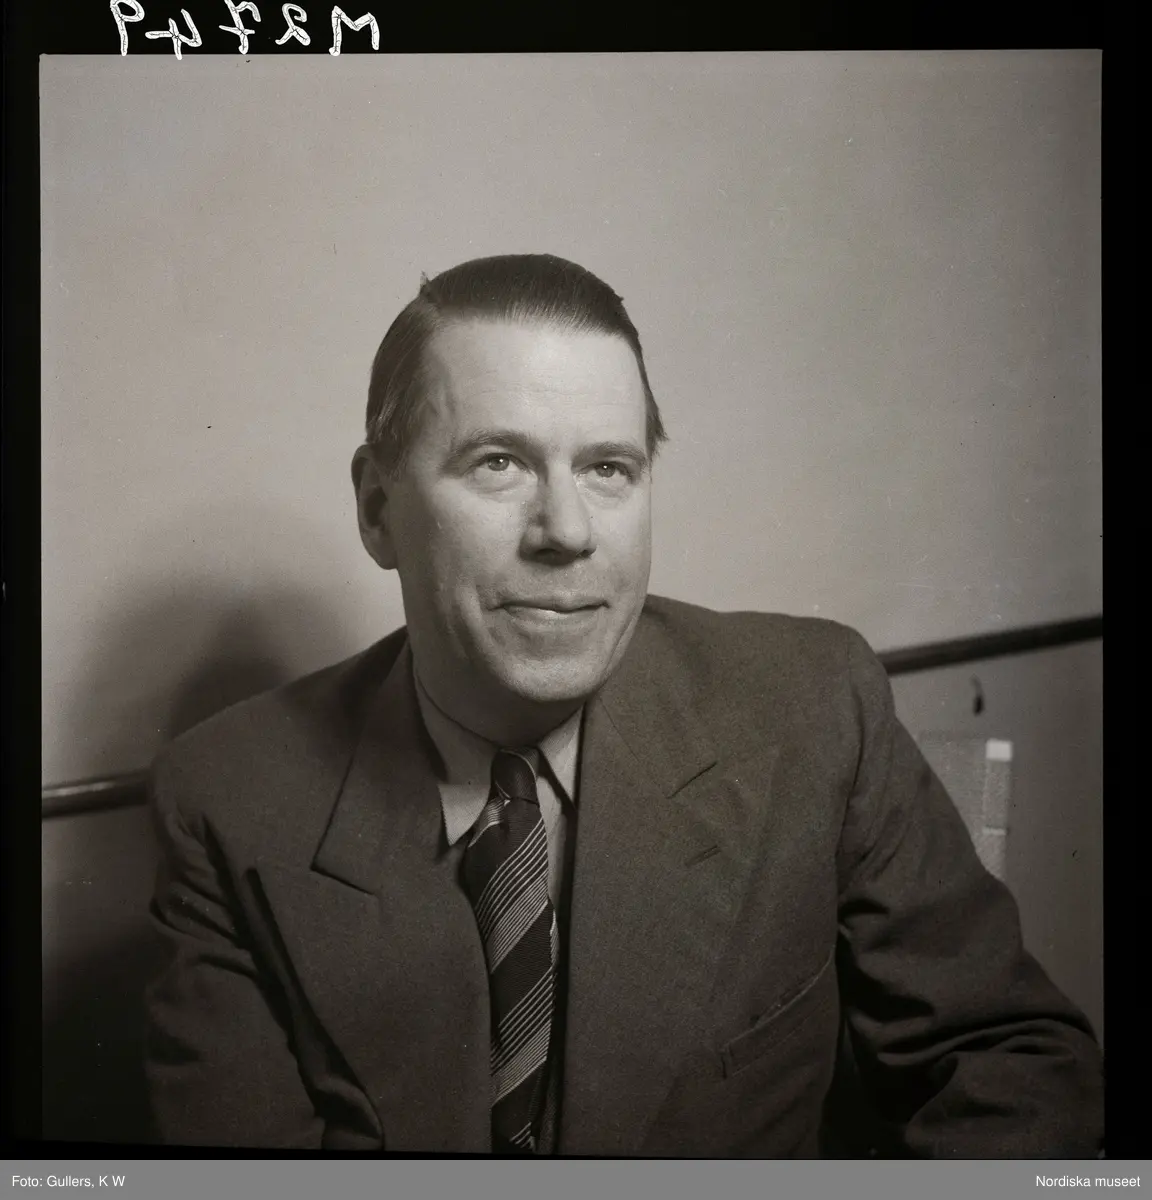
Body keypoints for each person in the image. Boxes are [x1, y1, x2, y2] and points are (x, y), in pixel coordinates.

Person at [144, 253, 1104, 1156]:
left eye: (609, 468)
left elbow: (1008, 1060)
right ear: (376, 509)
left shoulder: (813, 707)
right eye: (498, 463)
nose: (567, 532)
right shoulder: (230, 801)